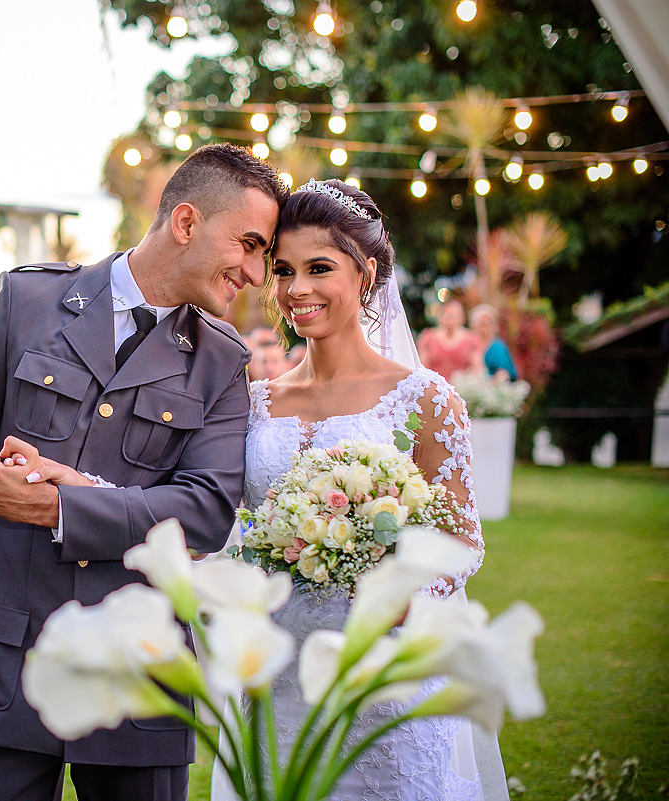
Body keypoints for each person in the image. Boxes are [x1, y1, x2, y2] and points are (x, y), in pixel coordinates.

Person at [0, 143, 287, 801]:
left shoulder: (223, 361)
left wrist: (63, 507)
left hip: (141, 679)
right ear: (187, 222)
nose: (257, 273)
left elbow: (204, 510)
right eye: (249, 245)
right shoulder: (25, 301)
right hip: (5, 663)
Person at [212, 178, 507, 801]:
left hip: (385, 670)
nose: (297, 290)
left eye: (320, 268)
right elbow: (206, 510)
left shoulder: (425, 398)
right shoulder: (254, 404)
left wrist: (399, 595)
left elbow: (460, 543)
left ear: (366, 273)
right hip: (280, 671)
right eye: (283, 270)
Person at [418, 297, 484, 380]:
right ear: (440, 317)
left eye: (454, 315)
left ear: (462, 318)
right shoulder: (428, 337)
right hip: (435, 388)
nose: (451, 319)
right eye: (448, 315)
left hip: (462, 388)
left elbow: (477, 370)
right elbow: (422, 368)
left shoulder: (472, 339)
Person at [470, 303, 519, 381]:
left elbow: (505, 371)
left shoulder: (497, 347)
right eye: (480, 325)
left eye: (486, 325)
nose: (483, 329)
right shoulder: (468, 343)